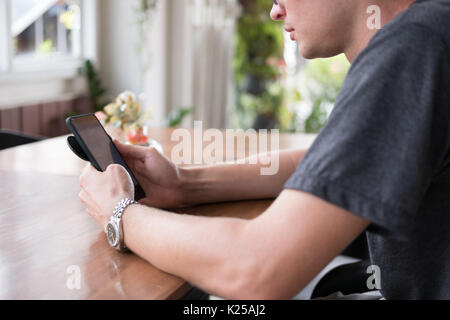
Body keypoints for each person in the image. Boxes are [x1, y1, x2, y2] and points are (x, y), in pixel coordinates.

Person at [78, 0, 450, 299]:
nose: (275, 10)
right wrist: (185, 183)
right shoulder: (431, 28)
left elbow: (257, 270)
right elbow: (333, 164)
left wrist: (120, 215)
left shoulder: (414, 46)